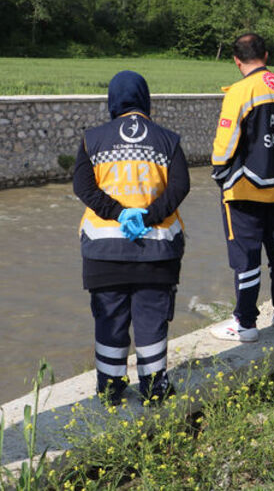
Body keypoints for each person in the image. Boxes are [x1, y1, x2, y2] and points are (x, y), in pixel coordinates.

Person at [72, 70, 190, 406]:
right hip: (157, 251)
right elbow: (180, 187)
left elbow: (83, 187)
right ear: (145, 99)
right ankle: (154, 390)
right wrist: (146, 216)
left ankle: (110, 392)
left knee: (110, 322)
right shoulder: (168, 140)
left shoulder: (92, 140)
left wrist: (117, 212)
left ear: (112, 101)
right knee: (152, 321)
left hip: (103, 250)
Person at [209, 33, 274, 342]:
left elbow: (224, 146)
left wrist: (219, 173)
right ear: (266, 55)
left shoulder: (240, 92)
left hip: (246, 190)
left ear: (236, 60)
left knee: (246, 257)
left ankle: (246, 324)